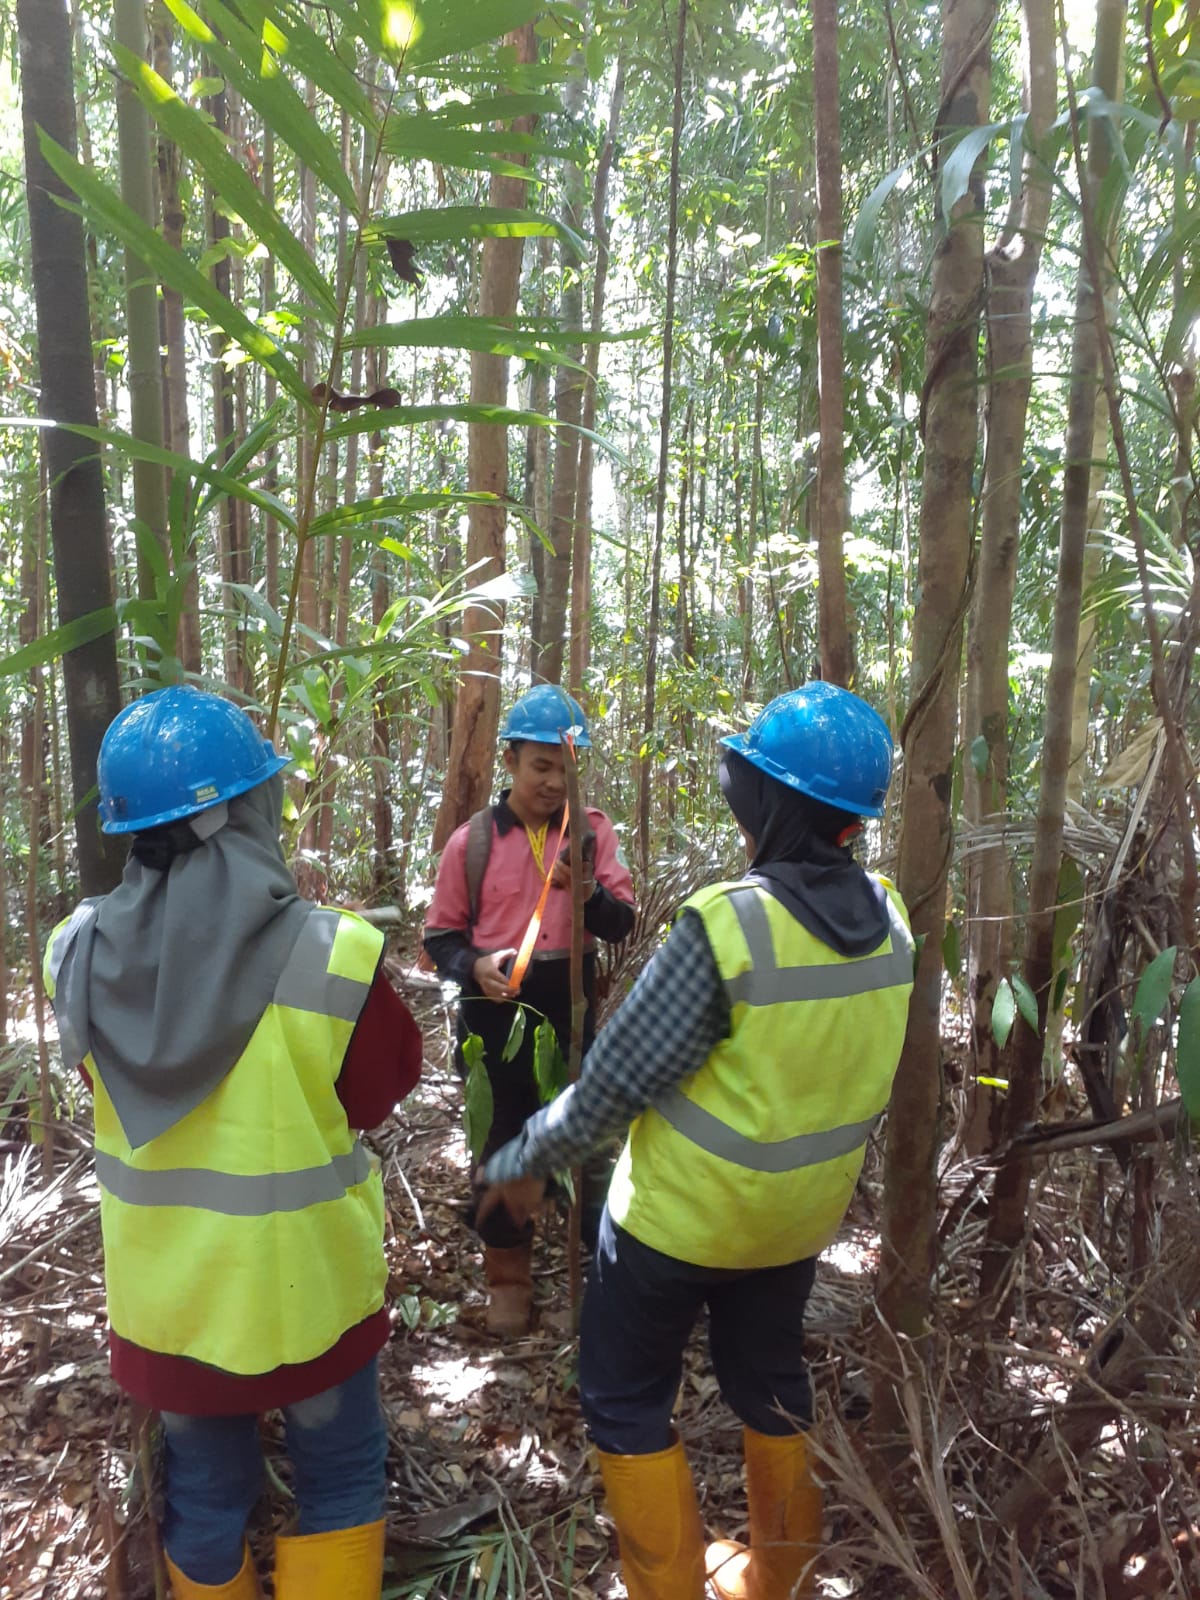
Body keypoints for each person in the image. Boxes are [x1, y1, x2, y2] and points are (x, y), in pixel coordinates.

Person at [476, 682, 915, 1600]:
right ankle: (774, 1585)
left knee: (627, 1398)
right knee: (771, 1386)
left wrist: (520, 1164)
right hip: (795, 1227)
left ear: (773, 803)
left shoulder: (732, 924)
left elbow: (613, 1085)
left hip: (674, 1229)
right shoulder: (893, 921)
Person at [43, 686, 423, 1600]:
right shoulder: (330, 952)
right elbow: (379, 1089)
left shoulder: (78, 950)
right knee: (336, 1477)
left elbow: (111, 1087)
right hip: (310, 1298)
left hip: (171, 1305)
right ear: (246, 811)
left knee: (208, 1491)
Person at [423, 684, 636, 1335]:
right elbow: (440, 935)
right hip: (493, 1018)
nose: (552, 782)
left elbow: (621, 922)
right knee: (501, 1144)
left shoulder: (593, 832)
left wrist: (589, 891)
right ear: (511, 761)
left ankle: (596, 1280)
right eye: (541, 765)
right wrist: (472, 968)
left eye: (566, 769)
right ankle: (507, 1283)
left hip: (571, 1012)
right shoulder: (473, 843)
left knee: (588, 1143)